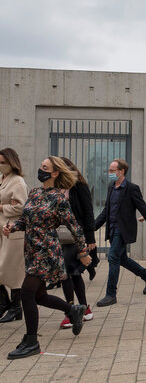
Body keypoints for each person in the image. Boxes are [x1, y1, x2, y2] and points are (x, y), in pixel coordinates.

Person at [2, 156, 89, 359]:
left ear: (55, 173)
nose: (40, 170)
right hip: (31, 251)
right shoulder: (35, 192)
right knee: (39, 296)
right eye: (41, 166)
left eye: (44, 167)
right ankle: (73, 310)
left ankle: (31, 340)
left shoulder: (59, 199)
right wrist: (11, 226)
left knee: (26, 293)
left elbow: (74, 226)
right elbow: (24, 219)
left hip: (47, 253)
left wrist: (83, 252)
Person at [95, 159, 146, 307]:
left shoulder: (132, 188)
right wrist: (91, 228)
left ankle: (111, 294)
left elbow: (144, 209)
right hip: (112, 229)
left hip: (123, 229)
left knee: (112, 257)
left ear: (122, 171)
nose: (110, 173)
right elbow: (106, 210)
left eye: (112, 171)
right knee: (122, 259)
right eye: (109, 170)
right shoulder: (111, 187)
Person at [57, 157, 97, 329]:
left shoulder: (79, 186)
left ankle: (71, 311)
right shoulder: (55, 188)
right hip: (59, 235)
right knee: (73, 272)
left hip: (76, 235)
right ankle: (84, 308)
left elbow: (88, 212)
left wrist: (90, 238)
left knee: (64, 271)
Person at [0, 148, 27, 323]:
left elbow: (21, 207)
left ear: (12, 163)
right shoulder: (2, 180)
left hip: (13, 231)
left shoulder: (18, 182)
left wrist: (2, 207)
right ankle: (5, 303)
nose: (1, 166)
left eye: (3, 162)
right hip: (2, 231)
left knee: (13, 271)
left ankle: (15, 306)